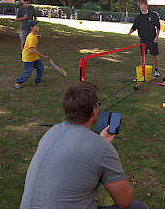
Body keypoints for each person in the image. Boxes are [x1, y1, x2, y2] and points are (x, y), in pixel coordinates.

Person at [19, 81, 147, 209]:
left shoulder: (52, 132)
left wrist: (100, 142)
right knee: (138, 207)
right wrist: (101, 146)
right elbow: (124, 201)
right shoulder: (102, 148)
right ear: (94, 111)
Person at [128, 0, 160, 77]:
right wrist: (129, 32)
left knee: (155, 54)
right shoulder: (139, 17)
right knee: (143, 55)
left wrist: (156, 37)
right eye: (140, 5)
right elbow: (134, 26)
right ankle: (143, 70)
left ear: (146, 5)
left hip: (152, 39)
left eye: (142, 5)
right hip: (143, 39)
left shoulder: (153, 15)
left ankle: (156, 71)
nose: (141, 7)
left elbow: (158, 27)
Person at [15, 21, 49, 89]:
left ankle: (37, 81)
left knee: (41, 68)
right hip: (28, 57)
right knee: (28, 72)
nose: (38, 27)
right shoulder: (31, 37)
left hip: (34, 56)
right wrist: (44, 56)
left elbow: (33, 50)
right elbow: (33, 50)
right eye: (36, 26)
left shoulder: (34, 35)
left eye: (37, 26)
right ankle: (18, 82)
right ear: (31, 28)